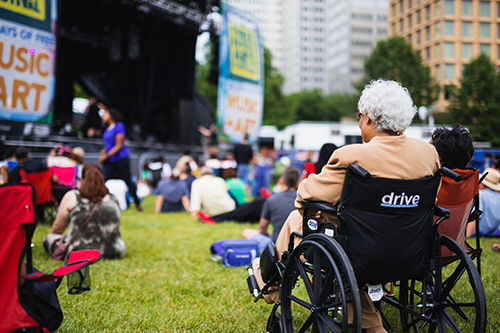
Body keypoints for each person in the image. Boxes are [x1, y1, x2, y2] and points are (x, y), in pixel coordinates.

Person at [253, 79, 441, 333]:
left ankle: (267, 284)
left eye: (360, 116)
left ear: (370, 119)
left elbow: (305, 197)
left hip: (360, 252)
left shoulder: (353, 156)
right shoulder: (428, 154)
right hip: (411, 249)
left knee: (296, 220)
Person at [43, 164, 125, 259]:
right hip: (113, 251)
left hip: (78, 250)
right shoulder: (113, 199)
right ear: (102, 179)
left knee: (48, 238)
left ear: (81, 179)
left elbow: (58, 228)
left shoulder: (72, 196)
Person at [242, 166, 300, 252]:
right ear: (298, 182)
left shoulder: (271, 200)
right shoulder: (303, 201)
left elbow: (262, 230)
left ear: (281, 180)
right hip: (299, 246)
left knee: (246, 232)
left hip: (277, 248)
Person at [98, 108, 142, 211]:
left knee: (128, 180)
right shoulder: (107, 128)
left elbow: (119, 145)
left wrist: (107, 155)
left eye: (106, 114)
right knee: (103, 180)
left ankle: (137, 203)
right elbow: (109, 144)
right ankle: (99, 202)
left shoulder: (119, 126)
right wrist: (105, 151)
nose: (103, 116)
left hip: (120, 159)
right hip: (110, 159)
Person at [474, 168, 500, 237]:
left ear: (483, 183)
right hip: (492, 233)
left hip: (476, 232)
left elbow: (475, 217)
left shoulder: (481, 195)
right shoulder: (498, 197)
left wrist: (466, 235)